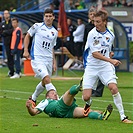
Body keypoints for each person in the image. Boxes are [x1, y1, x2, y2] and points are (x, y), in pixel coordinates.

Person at [82, 9, 133, 123]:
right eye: (94, 21)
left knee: (113, 88)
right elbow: (95, 54)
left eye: (98, 22)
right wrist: (111, 60)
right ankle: (88, 104)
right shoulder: (92, 34)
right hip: (92, 66)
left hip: (105, 66)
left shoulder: (111, 35)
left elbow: (107, 50)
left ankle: (123, 116)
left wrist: (109, 55)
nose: (96, 24)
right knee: (86, 96)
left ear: (104, 22)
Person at [23, 8, 58, 108]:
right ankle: (58, 100)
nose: (48, 18)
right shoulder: (37, 26)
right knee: (47, 79)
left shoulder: (54, 32)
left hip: (48, 60)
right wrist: (26, 50)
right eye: (46, 16)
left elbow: (52, 48)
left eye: (50, 16)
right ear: (44, 17)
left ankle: (33, 98)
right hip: (37, 59)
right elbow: (27, 36)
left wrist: (54, 62)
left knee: (44, 81)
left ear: (53, 17)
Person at [26, 83, 113, 120]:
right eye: (53, 93)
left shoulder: (58, 99)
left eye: (56, 93)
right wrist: (29, 107)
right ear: (47, 96)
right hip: (60, 108)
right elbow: (33, 112)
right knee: (68, 93)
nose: (55, 94)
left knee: (86, 112)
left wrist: (101, 112)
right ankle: (80, 86)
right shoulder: (46, 101)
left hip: (67, 113)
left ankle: (102, 116)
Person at [84, 7, 104, 97]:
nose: (92, 16)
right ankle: (90, 90)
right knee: (90, 72)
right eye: (90, 14)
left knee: (101, 71)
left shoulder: (100, 26)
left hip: (100, 51)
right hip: (90, 51)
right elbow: (85, 39)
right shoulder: (87, 26)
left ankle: (98, 91)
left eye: (93, 14)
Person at [0, 10, 14, 76]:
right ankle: (11, 71)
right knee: (8, 57)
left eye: (6, 13)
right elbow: (1, 32)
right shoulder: (2, 23)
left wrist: (5, 32)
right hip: (6, 42)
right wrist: (6, 32)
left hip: (13, 42)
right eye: (4, 14)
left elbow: (12, 31)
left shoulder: (12, 22)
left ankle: (16, 71)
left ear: (9, 14)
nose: (5, 15)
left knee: (13, 56)